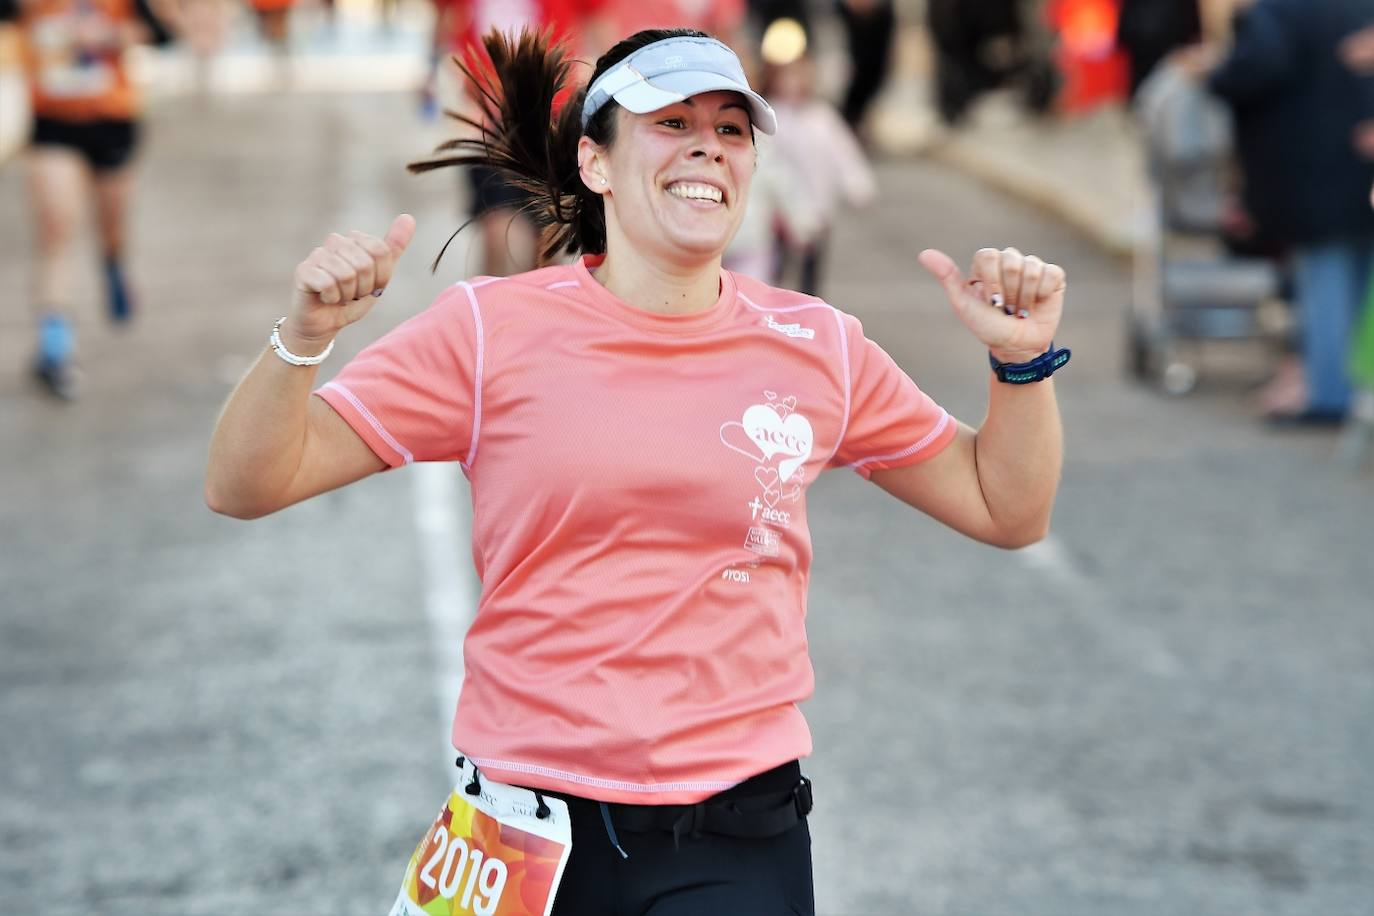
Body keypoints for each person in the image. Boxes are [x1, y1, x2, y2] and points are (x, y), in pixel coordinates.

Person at [205, 27, 1069, 914]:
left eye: (732, 129)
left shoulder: (818, 345)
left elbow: (1006, 507)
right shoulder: (486, 332)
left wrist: (1022, 366)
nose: (708, 145)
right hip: (514, 839)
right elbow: (246, 485)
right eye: (671, 121)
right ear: (597, 161)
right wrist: (302, 340)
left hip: (734, 840)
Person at [1204, 0, 1374, 423]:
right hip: (1358, 164)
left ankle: (1329, 394)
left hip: (1310, 167)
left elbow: (1253, 69)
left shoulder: (1281, 10)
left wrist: (1213, 72)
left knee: (1323, 282)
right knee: (1357, 281)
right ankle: (1355, 389)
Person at [1, 0, 177, 399]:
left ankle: (113, 263)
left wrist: (112, 37)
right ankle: (54, 348)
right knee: (55, 229)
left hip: (113, 123)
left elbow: (163, 36)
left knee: (111, 228)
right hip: (52, 126)